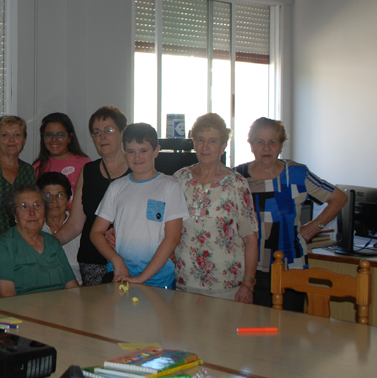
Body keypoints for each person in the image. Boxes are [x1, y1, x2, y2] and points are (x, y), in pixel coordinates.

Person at [236, 117, 349, 311]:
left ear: (281, 145)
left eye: (272, 141)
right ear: (251, 145)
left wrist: (314, 227)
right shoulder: (238, 176)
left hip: (291, 265)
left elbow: (339, 198)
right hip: (249, 269)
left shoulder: (297, 174)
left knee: (289, 327)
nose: (266, 147)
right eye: (260, 141)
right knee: (253, 327)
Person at [89, 123, 188, 288]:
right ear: (124, 151)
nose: (137, 157)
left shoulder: (170, 187)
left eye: (143, 150)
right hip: (121, 274)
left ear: (156, 151)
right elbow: (96, 233)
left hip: (159, 279)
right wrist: (116, 260)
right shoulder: (116, 187)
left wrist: (142, 277)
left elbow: (172, 238)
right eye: (131, 151)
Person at [173, 113, 258, 302]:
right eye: (200, 140)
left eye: (212, 141)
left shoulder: (237, 184)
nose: (205, 147)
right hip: (184, 282)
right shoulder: (179, 179)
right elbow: (167, 227)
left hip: (227, 286)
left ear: (223, 146)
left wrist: (248, 285)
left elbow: (250, 239)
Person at [52, 106, 131, 286]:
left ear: (122, 133)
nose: (102, 136)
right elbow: (75, 223)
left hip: (130, 258)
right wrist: (49, 243)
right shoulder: (88, 171)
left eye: (109, 130)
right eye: (96, 132)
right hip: (92, 260)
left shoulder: (137, 169)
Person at [0, 185, 79, 296]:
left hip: (59, 305)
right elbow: (7, 296)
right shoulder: (3, 245)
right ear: (14, 214)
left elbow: (73, 288)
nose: (32, 212)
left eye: (37, 205)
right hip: (20, 306)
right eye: (24, 206)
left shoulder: (53, 242)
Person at [0, 115, 35, 237]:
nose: (11, 140)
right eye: (5, 135)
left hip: (21, 238)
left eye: (17, 135)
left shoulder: (28, 170)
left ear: (24, 140)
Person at [38, 171, 80, 284]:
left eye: (60, 195)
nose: (54, 200)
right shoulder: (35, 230)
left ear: (68, 200)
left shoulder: (81, 229)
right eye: (48, 196)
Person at [32, 112, 90, 192]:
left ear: (69, 137)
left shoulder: (85, 164)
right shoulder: (37, 167)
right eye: (49, 135)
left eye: (60, 135)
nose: (54, 140)